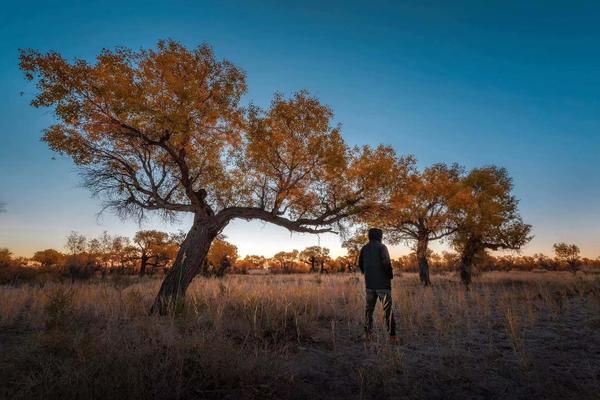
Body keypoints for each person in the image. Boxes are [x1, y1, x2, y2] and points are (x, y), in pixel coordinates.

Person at [358, 228, 397, 341]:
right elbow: (386, 263)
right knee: (387, 310)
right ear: (379, 235)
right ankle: (392, 336)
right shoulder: (382, 247)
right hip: (383, 285)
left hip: (369, 284)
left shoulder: (364, 248)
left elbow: (360, 264)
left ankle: (368, 334)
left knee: (368, 311)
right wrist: (389, 276)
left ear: (369, 235)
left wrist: (367, 274)